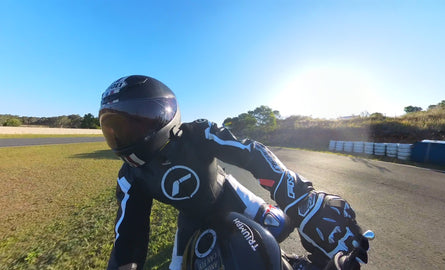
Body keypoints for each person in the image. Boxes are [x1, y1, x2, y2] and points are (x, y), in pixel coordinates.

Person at [99, 75, 370, 270]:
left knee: (279, 225)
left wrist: (301, 198)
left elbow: (250, 153)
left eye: (134, 124)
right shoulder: (129, 176)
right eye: (114, 130)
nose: (122, 138)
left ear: (163, 114)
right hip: (191, 220)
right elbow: (129, 240)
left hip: (230, 195)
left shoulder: (198, 133)